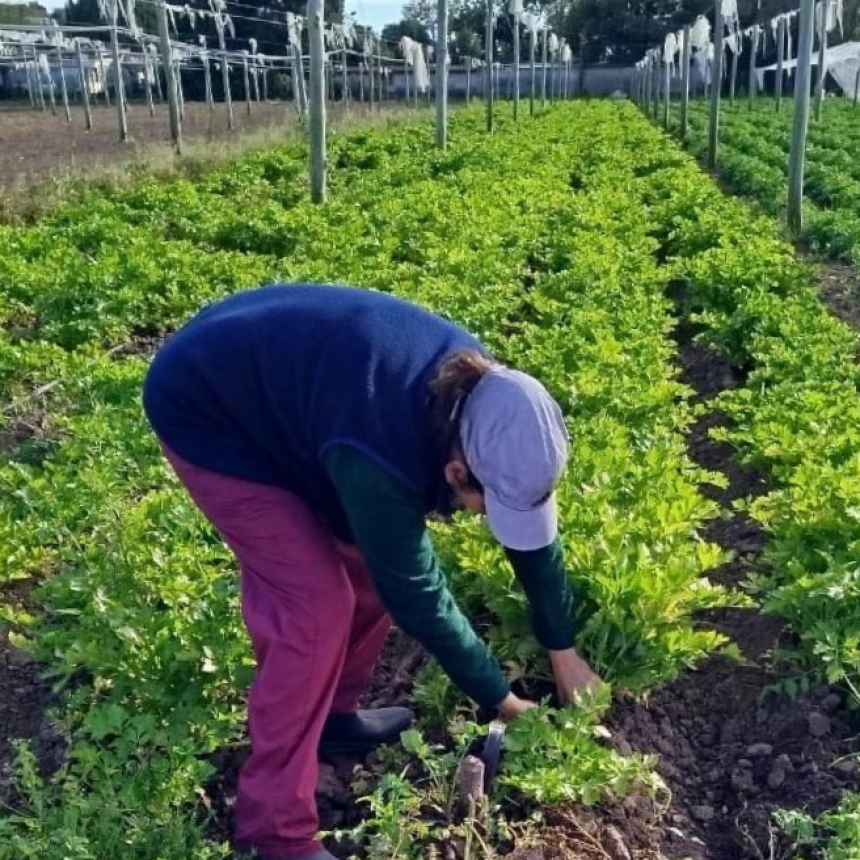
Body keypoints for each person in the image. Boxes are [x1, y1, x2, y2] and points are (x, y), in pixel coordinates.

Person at [142, 283, 599, 860]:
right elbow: (417, 594)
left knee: (363, 561)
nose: (486, 519)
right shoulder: (385, 453)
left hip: (302, 404)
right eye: (488, 506)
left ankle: (332, 719)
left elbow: (533, 544)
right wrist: (502, 700)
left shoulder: (490, 406)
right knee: (313, 607)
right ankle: (274, 834)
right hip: (211, 411)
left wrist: (563, 650)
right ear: (456, 472)